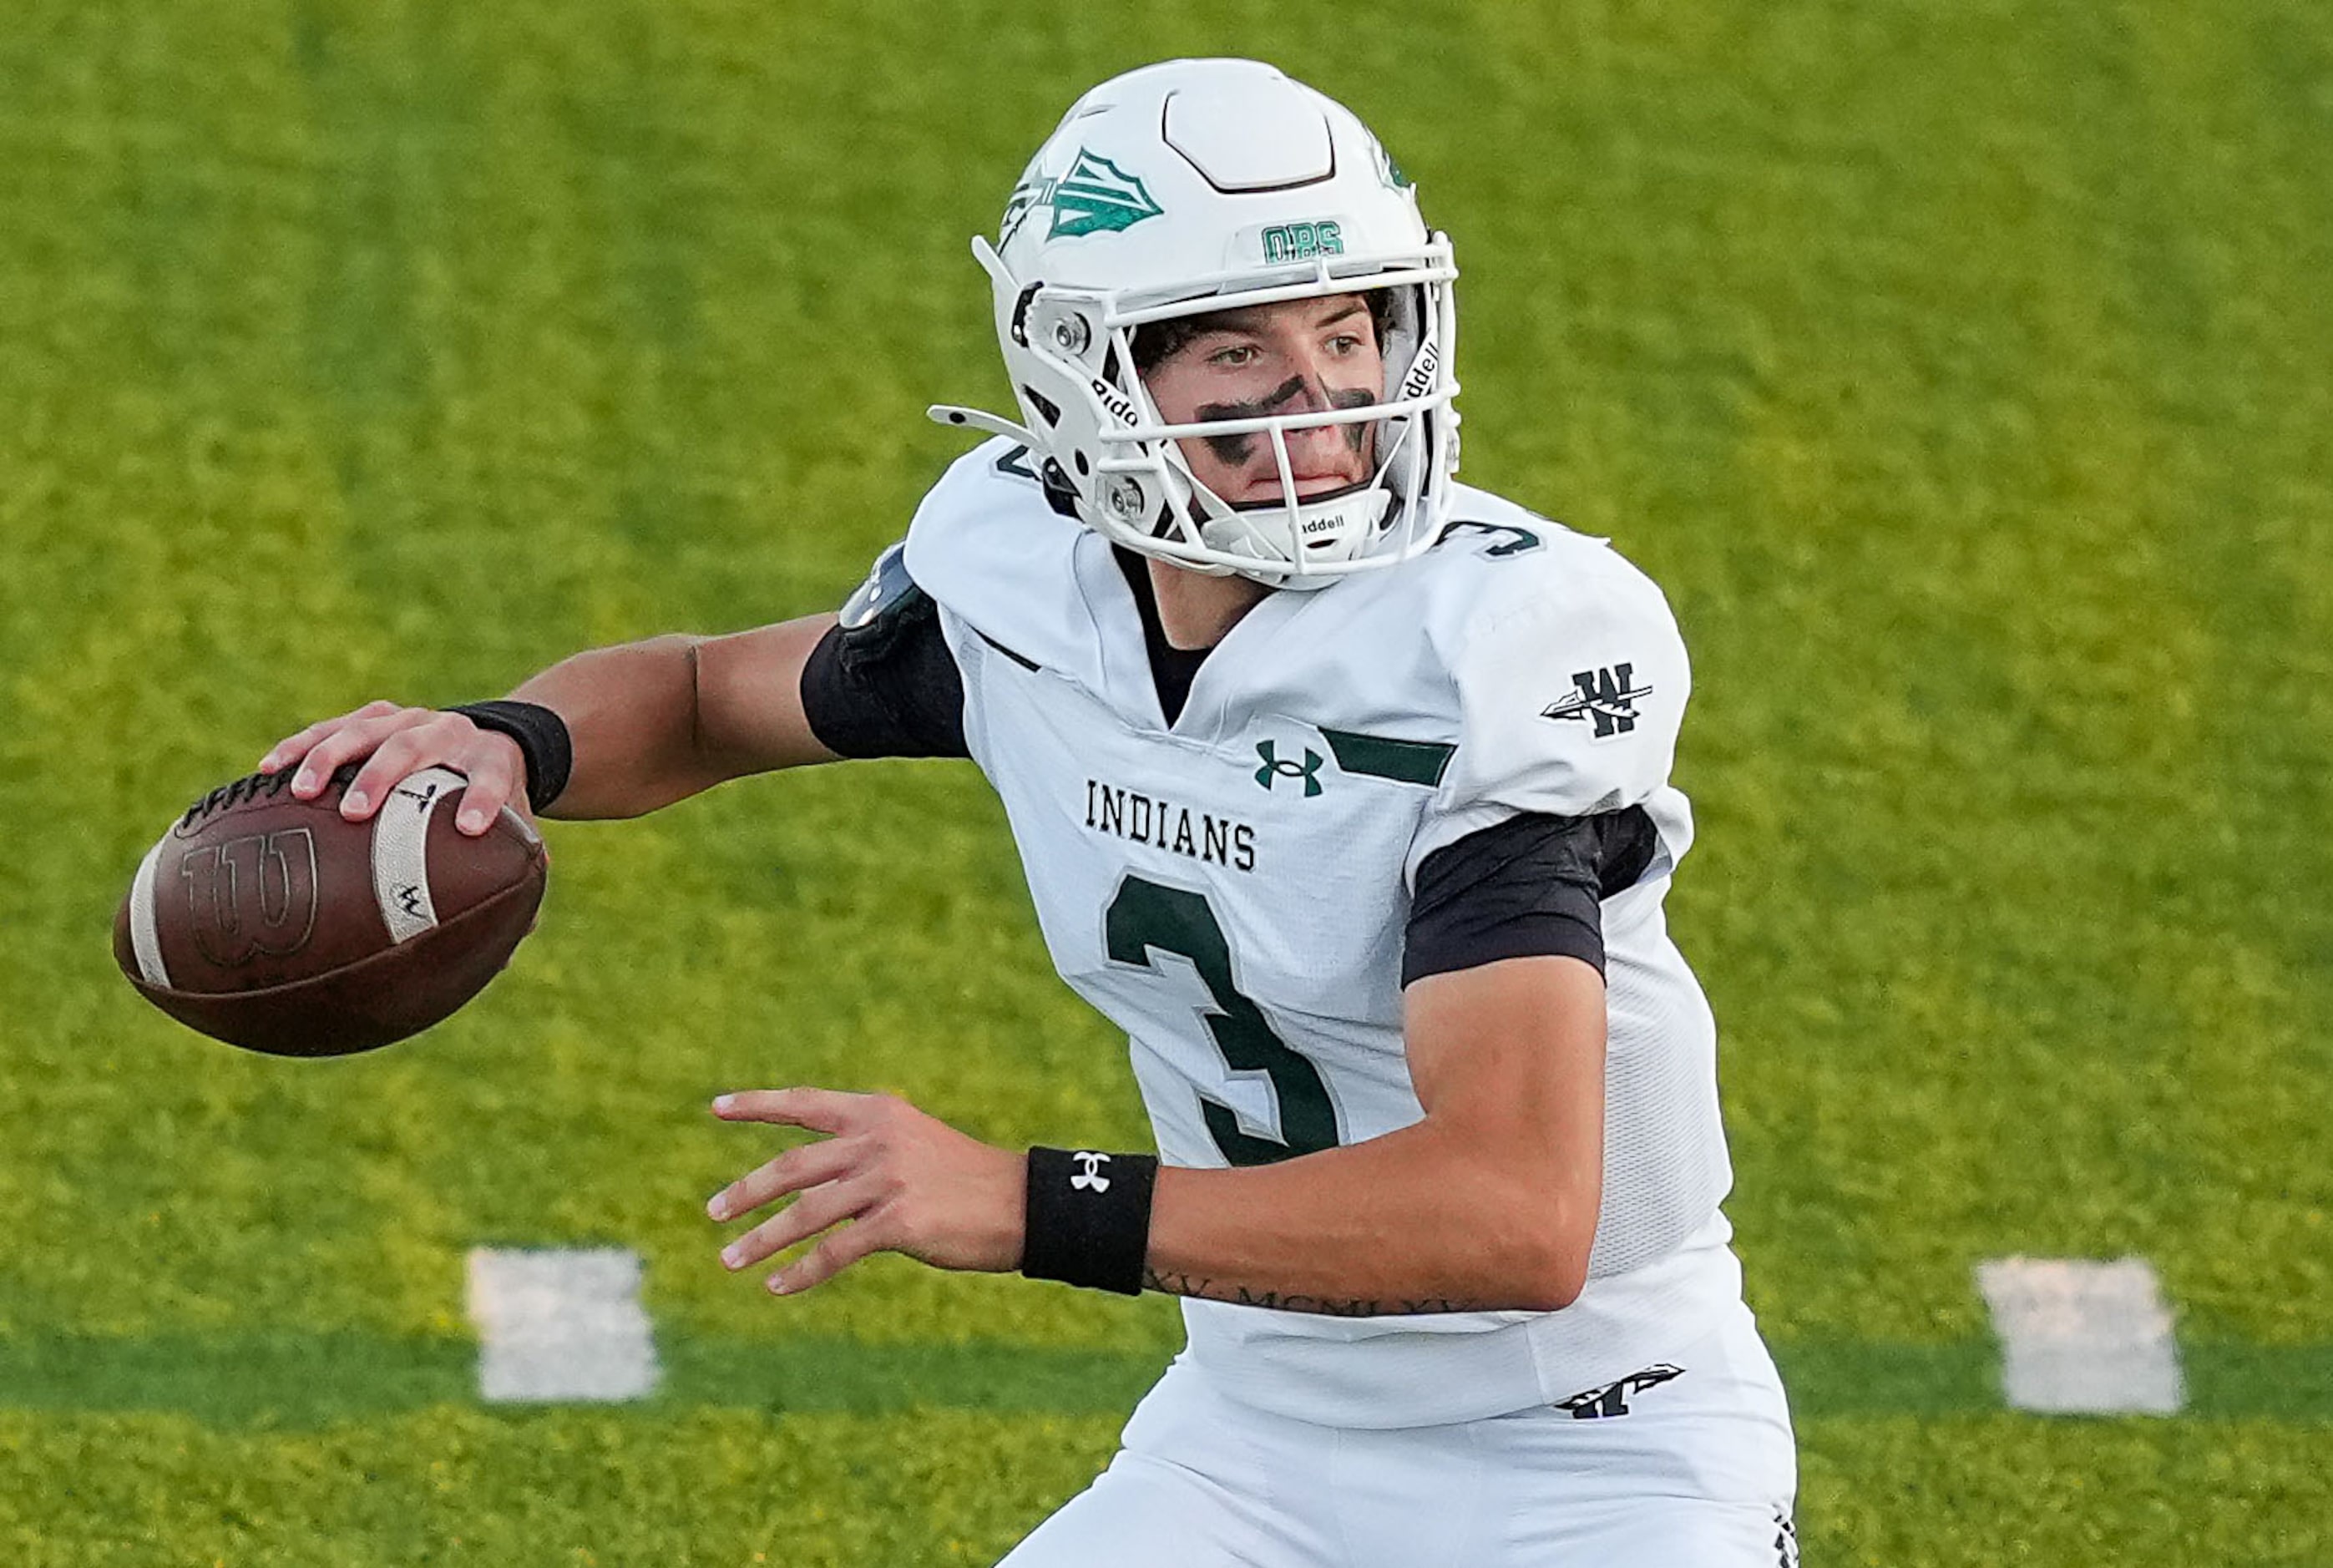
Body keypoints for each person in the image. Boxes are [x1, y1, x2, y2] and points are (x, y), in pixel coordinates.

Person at [261, 58, 1797, 1566]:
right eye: (1240, 357)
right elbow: (701, 697)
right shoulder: (1023, 583)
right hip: (1259, 1438)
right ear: (1085, 369)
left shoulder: (1489, 650)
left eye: (1350, 331)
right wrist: (503, 742)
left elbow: (1513, 1212)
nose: (1321, 408)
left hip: (1593, 1449)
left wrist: (1022, 1199)